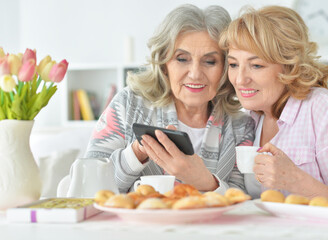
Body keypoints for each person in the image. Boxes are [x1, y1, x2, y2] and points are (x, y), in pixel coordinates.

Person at [85, 4, 254, 194]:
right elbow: (88, 183)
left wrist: (205, 181)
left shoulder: (241, 126)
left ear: (225, 67)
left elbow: (243, 200)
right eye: (182, 59)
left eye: (209, 61)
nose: (195, 74)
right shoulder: (129, 105)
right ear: (164, 64)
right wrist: (136, 155)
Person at [219, 5, 328, 200]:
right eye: (234, 64)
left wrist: (295, 180)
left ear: (290, 66)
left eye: (256, 65)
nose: (240, 79)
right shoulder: (251, 117)